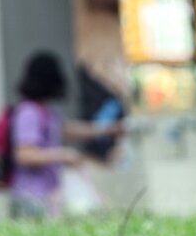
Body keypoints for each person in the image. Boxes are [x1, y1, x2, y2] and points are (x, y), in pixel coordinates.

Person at [9, 51, 124, 218]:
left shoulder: (47, 112)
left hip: (49, 194)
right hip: (31, 197)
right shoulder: (29, 112)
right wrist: (63, 155)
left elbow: (68, 129)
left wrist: (107, 129)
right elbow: (24, 154)